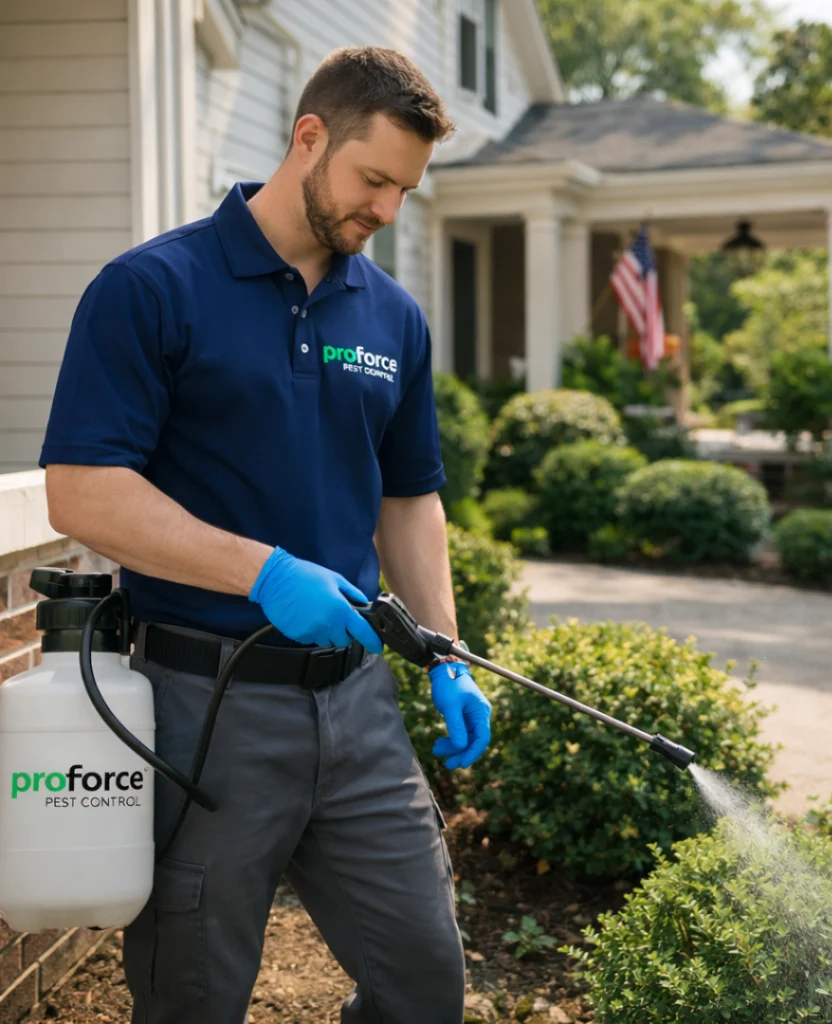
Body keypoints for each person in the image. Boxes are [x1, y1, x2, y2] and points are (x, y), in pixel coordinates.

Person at [39, 46, 490, 1024]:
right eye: (374, 180)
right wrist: (264, 570)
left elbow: (409, 497)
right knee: (193, 998)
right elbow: (81, 490)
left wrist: (446, 649)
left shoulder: (393, 318)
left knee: (424, 984)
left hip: (360, 708)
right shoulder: (153, 288)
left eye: (406, 190)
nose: (387, 211)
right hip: (206, 705)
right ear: (308, 137)